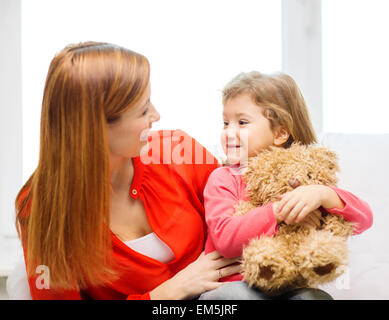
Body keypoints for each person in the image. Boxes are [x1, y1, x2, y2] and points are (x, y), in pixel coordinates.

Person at [15, 41, 242, 300]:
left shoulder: (181, 150)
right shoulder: (42, 207)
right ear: (96, 128)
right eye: (144, 109)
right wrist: (165, 294)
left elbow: (252, 206)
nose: (156, 115)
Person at [199, 71, 373, 300]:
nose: (229, 132)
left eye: (242, 122)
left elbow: (363, 220)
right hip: (234, 285)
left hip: (289, 287)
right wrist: (279, 211)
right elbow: (225, 239)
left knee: (314, 297)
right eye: (225, 123)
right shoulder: (223, 178)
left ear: (281, 132)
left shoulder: (306, 177)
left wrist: (324, 194)